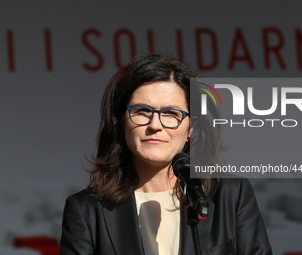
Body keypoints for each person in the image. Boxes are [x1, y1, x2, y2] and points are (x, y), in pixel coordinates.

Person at [60, 54, 272, 255]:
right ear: (121, 121)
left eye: (171, 114)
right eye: (142, 111)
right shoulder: (86, 210)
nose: (155, 125)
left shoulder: (232, 195)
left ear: (191, 129)